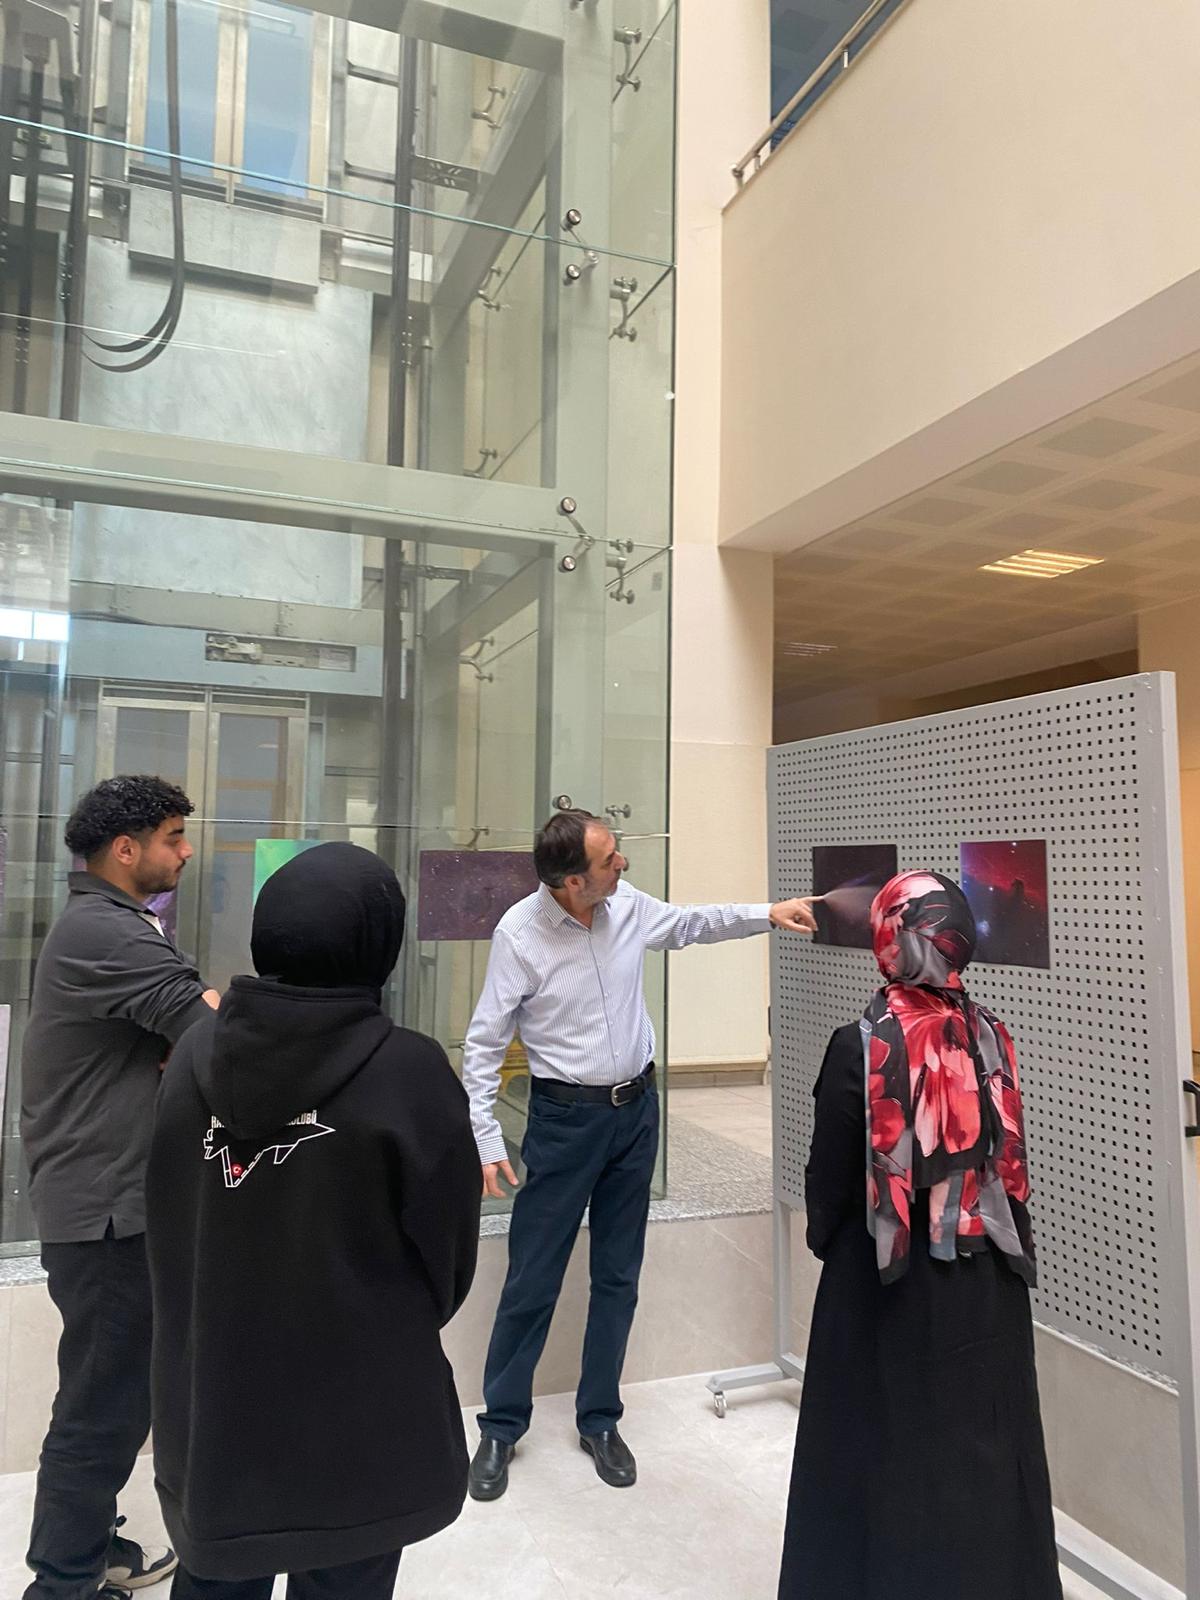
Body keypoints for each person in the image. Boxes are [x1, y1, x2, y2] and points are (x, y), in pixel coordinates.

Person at [146, 842, 480, 1599]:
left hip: (217, 1411)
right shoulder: (408, 1071)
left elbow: (168, 1212)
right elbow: (449, 1258)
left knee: (216, 1578)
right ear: (379, 943)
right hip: (360, 1419)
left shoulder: (194, 1054)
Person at [465, 809, 818, 1500]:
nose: (622, 864)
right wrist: (483, 1136)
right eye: (609, 859)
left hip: (635, 1115)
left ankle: (600, 1419)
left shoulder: (625, 905)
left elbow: (690, 924)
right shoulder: (519, 934)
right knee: (533, 1276)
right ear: (572, 881)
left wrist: (766, 913)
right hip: (564, 1122)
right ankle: (502, 1426)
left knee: (618, 1275)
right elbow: (484, 1043)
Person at [777, 871, 1062, 1600]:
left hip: (885, 1286)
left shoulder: (859, 1044)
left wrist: (831, 1243)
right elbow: (1007, 1167)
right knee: (986, 1459)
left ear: (891, 940)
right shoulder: (991, 1034)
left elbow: (829, 1185)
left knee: (878, 1457)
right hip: (989, 1287)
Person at [21, 775, 220, 1600]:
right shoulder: (104, 932)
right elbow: (207, 1025)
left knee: (111, 1396)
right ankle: (62, 1584)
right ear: (126, 849)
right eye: (173, 837)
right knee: (102, 1407)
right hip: (103, 1211)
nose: (186, 851)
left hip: (106, 1200)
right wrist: (200, 1026)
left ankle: (88, 1549)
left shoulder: (114, 923)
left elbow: (186, 1028)